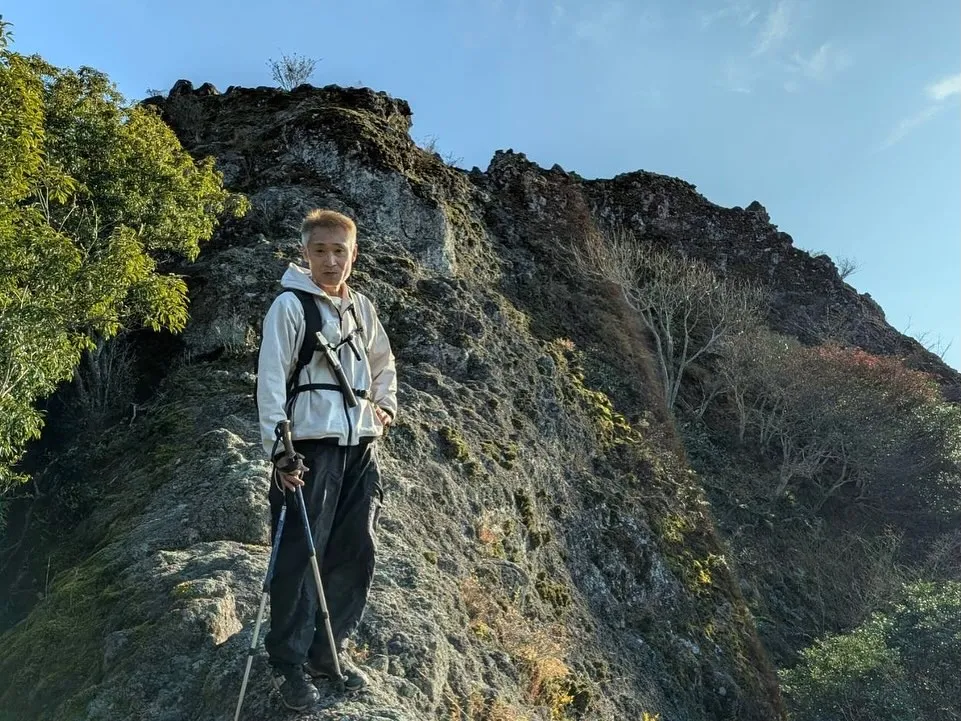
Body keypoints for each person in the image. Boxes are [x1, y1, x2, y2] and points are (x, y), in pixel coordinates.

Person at [256, 209, 398, 710]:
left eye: (340, 251)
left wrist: (384, 407)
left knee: (355, 550)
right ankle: (289, 663)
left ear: (353, 254)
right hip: (309, 449)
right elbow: (271, 379)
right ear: (306, 253)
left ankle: (328, 651)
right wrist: (281, 451)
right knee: (300, 554)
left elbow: (383, 362)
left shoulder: (362, 307)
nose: (331, 260)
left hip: (360, 447)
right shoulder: (289, 306)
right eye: (320, 250)